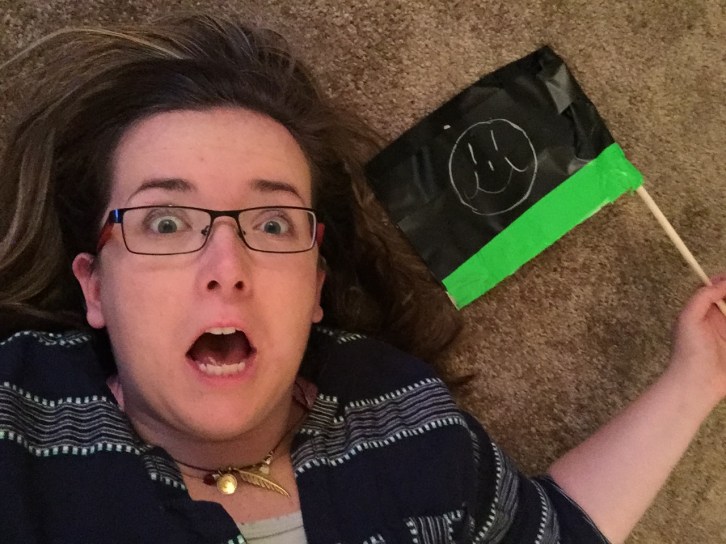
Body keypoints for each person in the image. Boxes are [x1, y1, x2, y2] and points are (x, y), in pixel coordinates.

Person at [0, 14, 724, 544]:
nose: (227, 270)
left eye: (273, 224)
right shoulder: (18, 426)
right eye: (165, 222)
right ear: (95, 287)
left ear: (316, 286)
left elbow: (546, 531)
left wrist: (697, 378)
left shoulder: (403, 413)